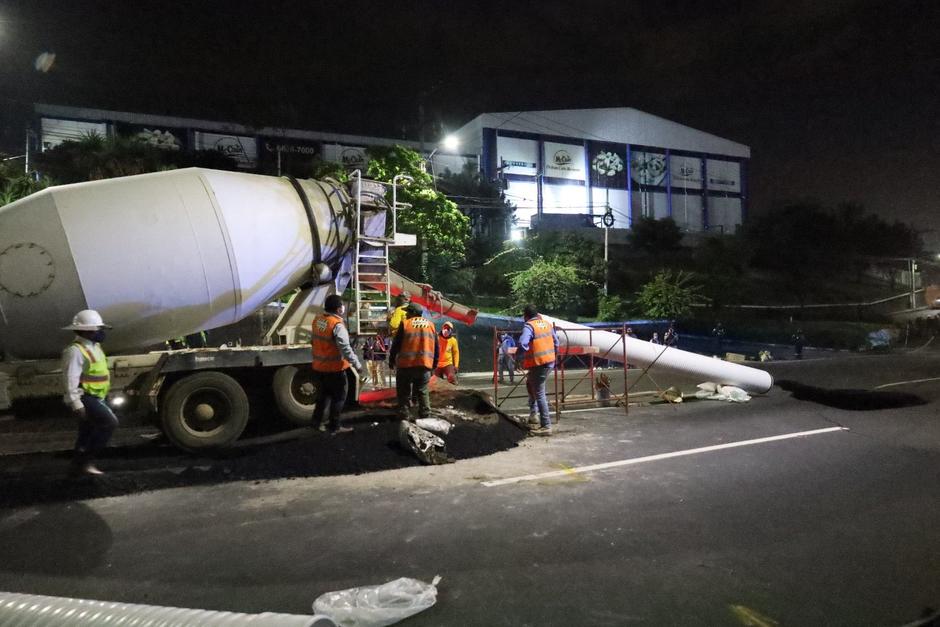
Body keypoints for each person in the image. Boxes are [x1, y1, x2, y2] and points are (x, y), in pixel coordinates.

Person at [61, 309, 119, 476]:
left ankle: (77, 466)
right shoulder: (75, 351)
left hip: (98, 395)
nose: (100, 332)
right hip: (86, 397)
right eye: (97, 329)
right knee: (110, 423)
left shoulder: (95, 347)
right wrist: (76, 403)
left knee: (87, 430)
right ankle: (86, 462)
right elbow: (70, 378)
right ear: (86, 331)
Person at [311, 294, 364, 434]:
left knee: (323, 396)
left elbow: (314, 341)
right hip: (334, 369)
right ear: (338, 309)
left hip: (319, 367)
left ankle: (316, 423)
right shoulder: (337, 325)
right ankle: (334, 426)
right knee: (339, 397)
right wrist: (357, 365)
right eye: (342, 305)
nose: (344, 307)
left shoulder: (318, 320)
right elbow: (345, 348)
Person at [389, 302, 438, 421]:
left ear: (413, 313)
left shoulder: (405, 324)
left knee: (403, 390)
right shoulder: (431, 325)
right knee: (422, 391)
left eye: (408, 312)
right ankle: (425, 415)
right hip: (424, 365)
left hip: (406, 365)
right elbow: (437, 348)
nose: (406, 315)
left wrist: (392, 360)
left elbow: (396, 344)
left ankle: (404, 414)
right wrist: (434, 365)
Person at [519, 304, 558, 436]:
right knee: (530, 384)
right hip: (549, 362)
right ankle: (533, 415)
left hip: (538, 364)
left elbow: (523, 343)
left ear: (525, 316)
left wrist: (517, 357)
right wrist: (552, 357)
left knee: (539, 393)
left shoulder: (529, 326)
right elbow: (556, 343)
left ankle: (546, 425)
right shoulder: (547, 324)